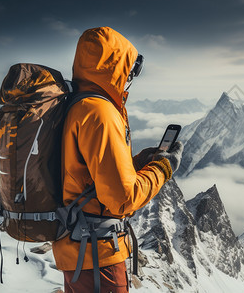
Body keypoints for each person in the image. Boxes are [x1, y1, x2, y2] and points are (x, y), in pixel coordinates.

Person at [52, 27, 183, 293]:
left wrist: (135, 163)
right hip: (98, 253)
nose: (130, 79)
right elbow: (122, 198)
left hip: (76, 248)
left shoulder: (77, 105)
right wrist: (162, 168)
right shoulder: (101, 113)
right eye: (130, 70)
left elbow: (86, 176)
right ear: (116, 66)